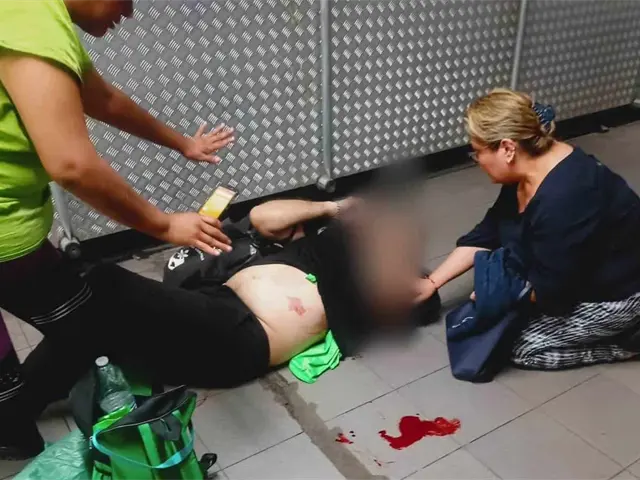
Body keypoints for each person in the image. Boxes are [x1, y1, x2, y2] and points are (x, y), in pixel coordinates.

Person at [0, 0, 234, 458]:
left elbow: (103, 99)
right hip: (7, 235)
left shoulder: (30, 14)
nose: (128, 13)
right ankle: (9, 425)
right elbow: (71, 165)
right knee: (87, 326)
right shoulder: (29, 15)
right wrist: (163, 224)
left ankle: (11, 416)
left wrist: (183, 144)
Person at [85, 197, 441, 389]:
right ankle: (57, 383)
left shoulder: (401, 284)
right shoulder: (327, 235)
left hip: (243, 334)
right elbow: (262, 217)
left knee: (106, 283)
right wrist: (334, 207)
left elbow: (391, 291)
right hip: (217, 302)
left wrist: (394, 242)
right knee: (110, 331)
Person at [415, 88, 640, 371]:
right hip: (576, 268)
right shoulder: (530, 166)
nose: (477, 160)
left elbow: (555, 293)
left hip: (622, 293)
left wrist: (498, 293)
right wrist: (433, 282)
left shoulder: (565, 196)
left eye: (477, 152)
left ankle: (626, 345)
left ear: (507, 148)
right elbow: (490, 230)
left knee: (521, 348)